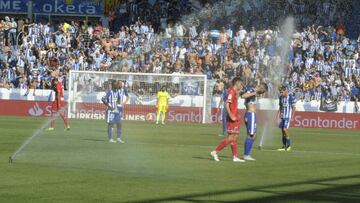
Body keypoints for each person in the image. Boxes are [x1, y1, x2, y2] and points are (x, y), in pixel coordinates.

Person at [211, 77, 245, 162]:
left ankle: (235, 156)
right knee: (231, 137)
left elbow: (234, 100)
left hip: (236, 117)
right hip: (232, 118)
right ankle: (215, 151)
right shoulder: (231, 92)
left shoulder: (234, 92)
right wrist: (231, 115)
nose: (242, 86)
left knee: (235, 137)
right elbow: (226, 104)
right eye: (241, 84)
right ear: (236, 84)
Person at [241, 83, 268, 161]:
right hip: (250, 114)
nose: (263, 93)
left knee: (253, 135)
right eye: (263, 91)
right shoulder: (252, 90)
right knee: (252, 135)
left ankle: (247, 154)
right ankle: (246, 155)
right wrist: (254, 93)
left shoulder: (254, 91)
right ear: (261, 88)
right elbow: (243, 95)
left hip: (250, 114)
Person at [276, 85, 296, 151]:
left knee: (285, 129)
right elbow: (280, 107)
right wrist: (277, 116)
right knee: (282, 131)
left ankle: (289, 145)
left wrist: (292, 117)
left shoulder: (290, 97)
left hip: (287, 117)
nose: (281, 93)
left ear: (285, 91)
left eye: (282, 92)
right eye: (280, 92)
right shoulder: (281, 97)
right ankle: (284, 146)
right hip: (282, 116)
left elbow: (294, 107)